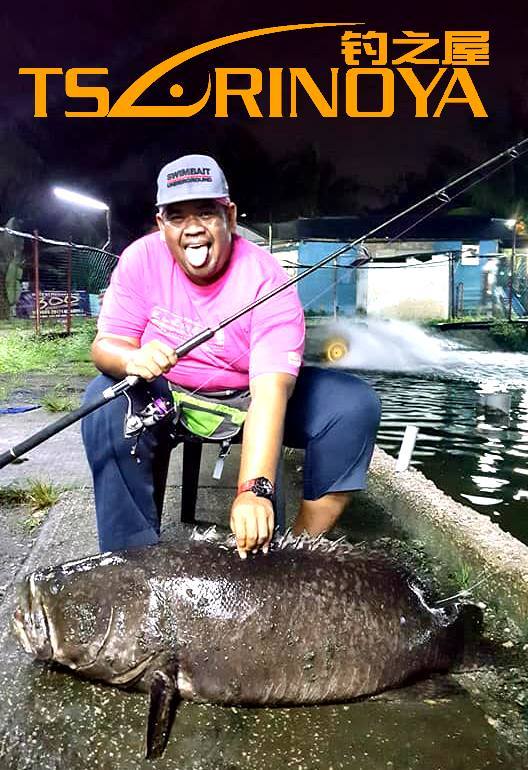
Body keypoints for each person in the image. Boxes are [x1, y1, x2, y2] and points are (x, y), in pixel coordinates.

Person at [81, 154, 381, 558]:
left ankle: (298, 555)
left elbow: (271, 391)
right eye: (176, 216)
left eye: (206, 212)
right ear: (160, 224)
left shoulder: (268, 279)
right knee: (103, 400)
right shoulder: (140, 259)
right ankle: (129, 562)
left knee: (353, 405)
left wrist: (254, 490)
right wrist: (131, 358)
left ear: (230, 216)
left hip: (248, 395)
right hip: (165, 395)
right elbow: (105, 346)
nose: (192, 230)